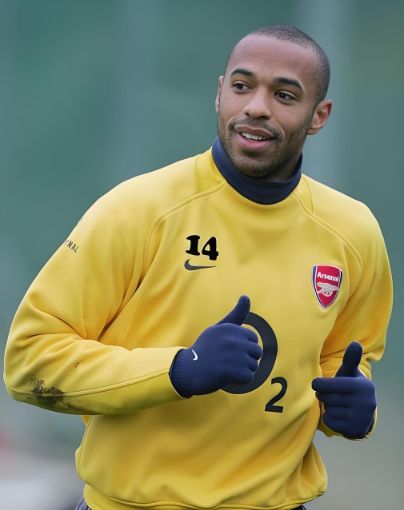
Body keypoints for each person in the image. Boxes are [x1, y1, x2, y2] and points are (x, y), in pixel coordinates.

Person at [3, 25, 393, 510]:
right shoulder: (138, 210)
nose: (257, 106)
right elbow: (29, 363)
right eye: (242, 86)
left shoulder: (354, 233)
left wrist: (354, 408)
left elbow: (344, 361)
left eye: (284, 95)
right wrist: (179, 369)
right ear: (219, 93)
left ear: (319, 116)